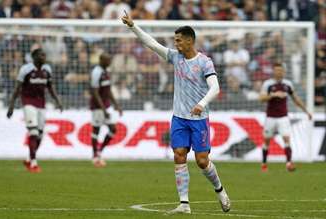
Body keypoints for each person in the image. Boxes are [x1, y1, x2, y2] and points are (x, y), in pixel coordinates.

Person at [121, 11, 230, 214]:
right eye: (175, 40)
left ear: (190, 41)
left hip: (199, 118)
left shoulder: (204, 62)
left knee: (202, 161)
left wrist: (202, 103)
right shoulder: (175, 57)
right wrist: (133, 26)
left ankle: (220, 190)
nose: (176, 44)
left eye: (179, 40)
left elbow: (215, 88)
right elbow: (152, 44)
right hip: (179, 117)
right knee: (179, 155)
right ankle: (184, 204)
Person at [6, 48, 63, 173]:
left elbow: (50, 87)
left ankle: (28, 158)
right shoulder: (26, 69)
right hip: (28, 103)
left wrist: (57, 101)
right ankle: (33, 163)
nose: (44, 57)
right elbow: (17, 88)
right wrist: (11, 106)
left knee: (40, 135)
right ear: (34, 57)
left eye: (44, 55)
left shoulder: (47, 69)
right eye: (41, 55)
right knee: (33, 132)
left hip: (41, 105)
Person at [259, 63, 312, 172]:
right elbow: (261, 98)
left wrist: (306, 111)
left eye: (281, 70)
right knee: (267, 141)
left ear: (284, 72)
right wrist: (274, 95)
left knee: (287, 139)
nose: (279, 72)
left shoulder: (288, 84)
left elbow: (295, 98)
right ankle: (264, 163)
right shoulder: (268, 84)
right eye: (277, 70)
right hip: (270, 117)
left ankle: (289, 163)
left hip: (283, 117)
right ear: (274, 72)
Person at [90, 53, 122, 167]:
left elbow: (108, 91)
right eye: (107, 60)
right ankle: (95, 157)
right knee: (96, 130)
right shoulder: (96, 72)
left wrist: (116, 105)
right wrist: (103, 109)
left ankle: (99, 152)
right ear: (101, 60)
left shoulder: (106, 72)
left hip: (106, 105)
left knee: (113, 129)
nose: (109, 62)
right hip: (98, 107)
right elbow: (94, 92)